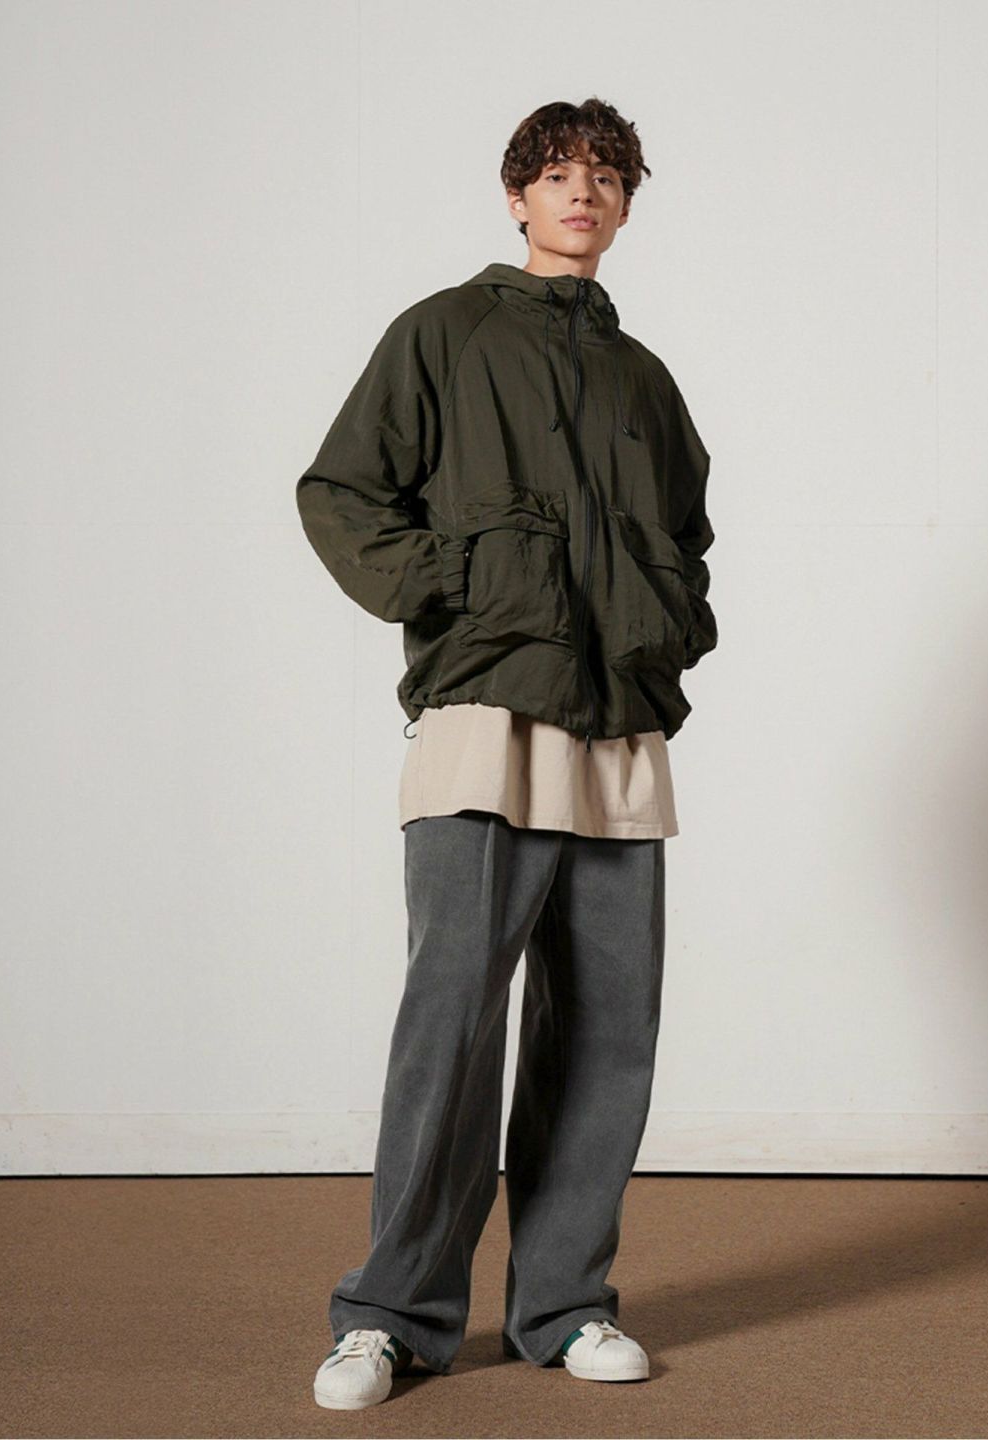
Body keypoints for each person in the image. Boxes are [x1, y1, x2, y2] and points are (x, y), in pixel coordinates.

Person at [296, 96, 719, 1410]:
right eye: (558, 173)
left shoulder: (643, 378)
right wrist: (458, 589)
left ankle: (565, 1306)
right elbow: (341, 491)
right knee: (453, 1021)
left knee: (606, 1034)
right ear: (518, 196)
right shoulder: (443, 333)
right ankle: (391, 1316)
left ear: (627, 205)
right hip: (486, 715)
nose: (583, 193)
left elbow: (689, 537)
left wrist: (672, 630)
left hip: (618, 729)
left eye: (607, 177)